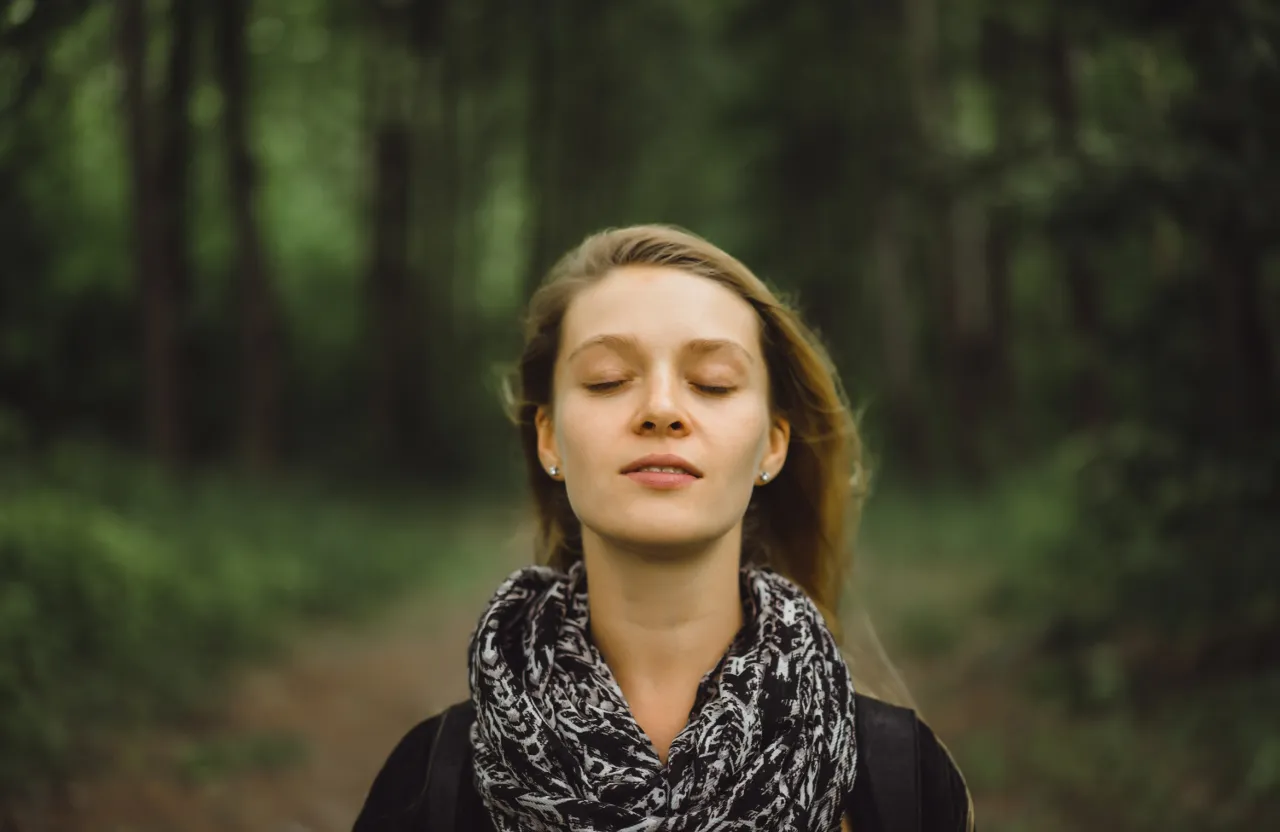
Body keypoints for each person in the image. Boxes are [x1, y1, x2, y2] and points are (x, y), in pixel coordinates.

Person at [352, 225, 973, 831]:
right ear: (549, 438)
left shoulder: (903, 783)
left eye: (712, 383)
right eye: (607, 380)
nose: (661, 409)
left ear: (772, 446)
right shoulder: (429, 783)